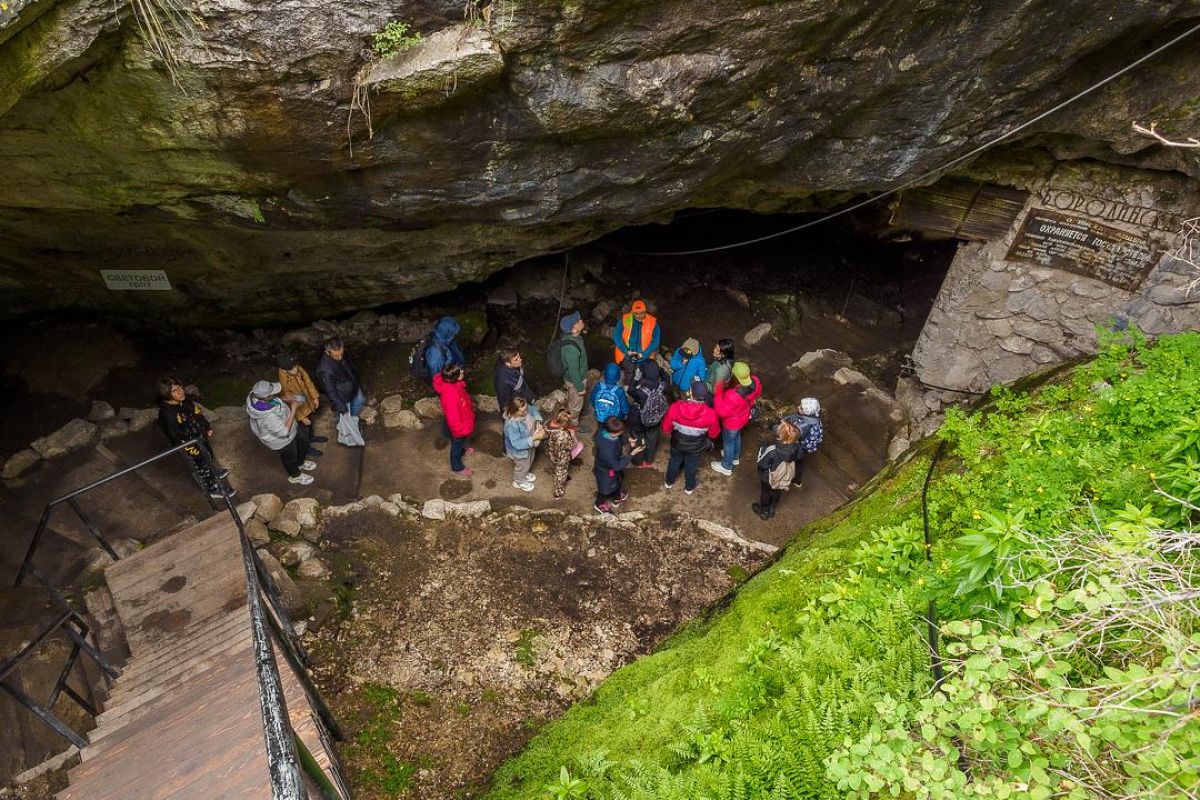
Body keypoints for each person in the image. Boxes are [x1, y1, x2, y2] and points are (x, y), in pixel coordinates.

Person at [156, 377, 230, 499]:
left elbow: (197, 413)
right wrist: (188, 448)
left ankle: (213, 472)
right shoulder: (167, 414)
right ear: (166, 393)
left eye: (180, 387)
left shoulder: (185, 401)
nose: (180, 392)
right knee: (200, 463)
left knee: (208, 455)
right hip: (188, 443)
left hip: (199, 436)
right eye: (174, 390)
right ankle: (211, 488)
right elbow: (175, 435)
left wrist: (206, 426)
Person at [246, 380, 318, 485]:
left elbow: (273, 400)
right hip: (281, 439)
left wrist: (286, 398)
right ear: (265, 397)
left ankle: (300, 463)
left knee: (301, 443)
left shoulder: (255, 394)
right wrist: (293, 408)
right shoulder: (268, 416)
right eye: (272, 393)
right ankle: (295, 475)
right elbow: (283, 432)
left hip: (289, 426)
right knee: (290, 456)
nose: (275, 394)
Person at [661, 381, 720, 494]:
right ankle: (689, 487)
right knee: (691, 464)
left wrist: (671, 431)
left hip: (677, 443)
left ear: (690, 393)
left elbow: (666, 428)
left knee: (674, 461)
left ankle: (669, 482)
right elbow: (714, 434)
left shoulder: (675, 407)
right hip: (696, 447)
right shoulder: (711, 414)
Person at [711, 361, 763, 476]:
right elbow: (758, 393)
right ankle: (735, 457)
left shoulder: (734, 395)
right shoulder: (755, 381)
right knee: (736, 436)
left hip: (732, 423)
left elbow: (721, 411)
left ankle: (726, 466)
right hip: (743, 417)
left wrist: (719, 390)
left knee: (728, 441)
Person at [433, 364, 476, 477]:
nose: (463, 372)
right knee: (456, 444)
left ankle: (461, 451)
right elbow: (454, 418)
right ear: (454, 377)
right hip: (459, 427)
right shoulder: (450, 394)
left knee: (458, 443)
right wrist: (462, 430)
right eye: (460, 372)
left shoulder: (454, 385)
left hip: (463, 420)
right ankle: (457, 466)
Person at [754, 420, 802, 520]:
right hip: (784, 476)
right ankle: (772, 507)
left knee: (766, 492)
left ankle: (764, 511)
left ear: (780, 436)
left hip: (769, 477)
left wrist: (763, 447)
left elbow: (762, 464)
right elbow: (800, 456)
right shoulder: (797, 446)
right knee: (777, 490)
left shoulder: (772, 451)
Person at [315, 338, 365, 429]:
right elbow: (330, 391)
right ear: (327, 352)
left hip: (351, 387)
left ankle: (355, 420)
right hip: (342, 395)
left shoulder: (340, 353)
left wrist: (356, 382)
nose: (340, 358)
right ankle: (349, 427)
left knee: (358, 402)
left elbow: (349, 366)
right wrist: (342, 408)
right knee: (345, 412)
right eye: (336, 356)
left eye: (341, 354)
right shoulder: (325, 370)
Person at [627, 359, 667, 468]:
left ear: (643, 374)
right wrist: (661, 371)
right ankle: (649, 460)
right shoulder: (663, 386)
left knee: (637, 439)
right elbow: (666, 379)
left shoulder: (641, 392)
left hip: (639, 420)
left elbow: (630, 390)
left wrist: (636, 378)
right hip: (655, 420)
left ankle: (638, 461)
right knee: (652, 439)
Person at [277, 354, 325, 440]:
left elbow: (308, 382)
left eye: (296, 366)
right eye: (292, 369)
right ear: (284, 370)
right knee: (303, 429)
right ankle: (307, 445)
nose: (296, 369)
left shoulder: (296, 368)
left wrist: (315, 397)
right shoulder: (283, 383)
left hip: (307, 401)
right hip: (298, 409)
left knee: (310, 422)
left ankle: (311, 437)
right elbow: (289, 402)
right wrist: (301, 417)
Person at [612, 299, 660, 383]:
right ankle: (629, 385)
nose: (639, 315)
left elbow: (656, 340)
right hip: (628, 354)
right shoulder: (626, 319)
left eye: (642, 313)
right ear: (632, 312)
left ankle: (639, 387)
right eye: (636, 313)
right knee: (629, 372)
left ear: (645, 311)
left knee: (641, 373)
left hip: (644, 355)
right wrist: (627, 351)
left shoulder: (652, 322)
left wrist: (644, 354)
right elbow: (617, 336)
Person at [502, 397, 544, 492]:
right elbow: (517, 443)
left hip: (529, 445)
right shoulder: (511, 425)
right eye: (523, 412)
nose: (526, 412)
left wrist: (537, 421)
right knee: (522, 466)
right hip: (520, 452)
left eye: (526, 409)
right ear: (514, 411)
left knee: (529, 461)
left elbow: (533, 410)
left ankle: (524, 474)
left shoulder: (524, 407)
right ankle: (519, 481)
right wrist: (535, 437)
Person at [593, 417, 632, 514]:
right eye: (620, 431)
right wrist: (631, 454)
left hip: (603, 466)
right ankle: (599, 504)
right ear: (613, 432)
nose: (622, 432)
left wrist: (628, 440)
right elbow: (617, 466)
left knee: (618, 481)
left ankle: (616, 498)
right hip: (607, 472)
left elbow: (619, 438)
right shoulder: (609, 451)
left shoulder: (602, 432)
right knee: (605, 489)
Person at [557, 311, 589, 426]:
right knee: (576, 405)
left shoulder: (575, 336)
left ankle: (574, 412)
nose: (581, 321)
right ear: (573, 329)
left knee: (574, 400)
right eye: (578, 321)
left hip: (576, 378)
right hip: (576, 380)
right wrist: (580, 388)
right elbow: (573, 371)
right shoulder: (571, 349)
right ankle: (573, 424)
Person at [784, 397, 824, 487]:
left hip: (800, 446)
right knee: (799, 461)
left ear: (806, 413)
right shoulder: (814, 417)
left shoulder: (802, 427)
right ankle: (797, 481)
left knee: (795, 460)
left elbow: (791, 436)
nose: (798, 407)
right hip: (807, 445)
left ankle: (794, 478)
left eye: (801, 408)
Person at [544, 407, 579, 500]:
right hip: (561, 456)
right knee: (561, 472)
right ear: (563, 424)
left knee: (555, 466)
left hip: (551, 451)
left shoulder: (548, 423)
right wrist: (572, 435)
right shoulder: (563, 435)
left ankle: (558, 473)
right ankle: (558, 491)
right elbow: (569, 446)